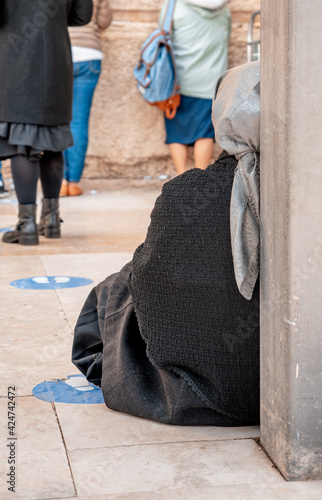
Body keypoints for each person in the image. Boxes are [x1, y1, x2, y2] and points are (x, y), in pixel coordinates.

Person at [72, 61, 261, 426]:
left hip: (192, 392)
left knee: (122, 281)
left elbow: (147, 282)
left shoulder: (184, 192)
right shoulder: (311, 200)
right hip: (284, 384)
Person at [0, 0, 93, 246]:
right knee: (54, 139)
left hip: (16, 61)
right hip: (56, 61)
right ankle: (51, 219)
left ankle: (26, 223)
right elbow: (82, 16)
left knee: (22, 139)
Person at [160, 0, 231, 175]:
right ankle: (199, 179)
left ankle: (180, 177)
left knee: (176, 132)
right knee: (204, 134)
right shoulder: (224, 10)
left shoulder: (173, 6)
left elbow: (163, 35)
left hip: (177, 82)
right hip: (211, 82)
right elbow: (225, 39)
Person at [60, 0, 112, 197]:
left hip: (61, 52)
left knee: (58, 121)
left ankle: (60, 181)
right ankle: (73, 182)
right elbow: (104, 22)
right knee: (79, 120)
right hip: (90, 55)